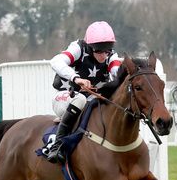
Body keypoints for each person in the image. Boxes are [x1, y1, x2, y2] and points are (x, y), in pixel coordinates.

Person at [43, 21, 123, 164]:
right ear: (90, 46)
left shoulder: (111, 56)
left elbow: (117, 73)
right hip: (65, 96)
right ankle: (57, 146)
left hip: (90, 100)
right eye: (99, 50)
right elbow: (55, 61)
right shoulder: (78, 48)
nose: (104, 56)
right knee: (80, 99)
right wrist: (76, 78)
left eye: (107, 50)